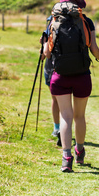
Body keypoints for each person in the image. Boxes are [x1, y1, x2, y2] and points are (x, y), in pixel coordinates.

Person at [43, 0, 99, 173]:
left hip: (60, 75)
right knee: (79, 116)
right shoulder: (86, 21)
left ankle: (66, 157)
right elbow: (94, 48)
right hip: (82, 75)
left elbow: (47, 53)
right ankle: (79, 151)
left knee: (66, 116)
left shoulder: (53, 20)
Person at [40, 17, 61, 147]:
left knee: (55, 99)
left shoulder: (49, 29)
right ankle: (63, 128)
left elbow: (44, 55)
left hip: (50, 69)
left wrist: (43, 44)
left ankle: (57, 128)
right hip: (67, 69)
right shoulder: (73, 26)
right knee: (65, 100)